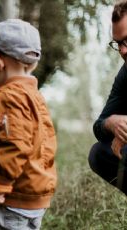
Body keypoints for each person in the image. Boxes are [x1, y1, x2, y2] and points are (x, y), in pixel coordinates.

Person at [0, 19, 57, 230]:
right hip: (34, 192)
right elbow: (28, 136)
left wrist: (2, 183)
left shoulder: (7, 97)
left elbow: (16, 143)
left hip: (12, 197)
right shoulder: (34, 96)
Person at [88, 1, 127, 195]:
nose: (122, 51)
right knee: (99, 153)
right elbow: (99, 125)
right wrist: (112, 124)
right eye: (118, 43)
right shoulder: (125, 74)